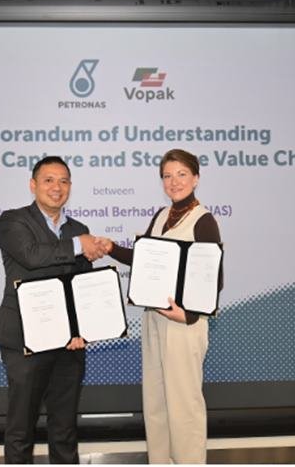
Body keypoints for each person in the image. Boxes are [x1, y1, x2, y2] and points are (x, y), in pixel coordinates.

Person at [98, 148, 222, 464]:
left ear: (196, 178)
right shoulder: (162, 215)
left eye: (181, 174)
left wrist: (188, 315)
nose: (173, 182)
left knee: (184, 406)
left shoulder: (203, 220)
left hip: (183, 325)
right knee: (156, 404)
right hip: (154, 319)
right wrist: (112, 248)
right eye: (167, 176)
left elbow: (214, 279)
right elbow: (145, 260)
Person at [0, 156, 106, 464]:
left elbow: (80, 284)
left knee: (64, 430)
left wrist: (81, 330)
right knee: (21, 430)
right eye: (49, 180)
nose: (57, 187)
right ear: (33, 185)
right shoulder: (13, 220)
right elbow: (31, 256)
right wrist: (79, 245)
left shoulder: (78, 229)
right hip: (25, 341)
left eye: (64, 181)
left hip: (68, 345)